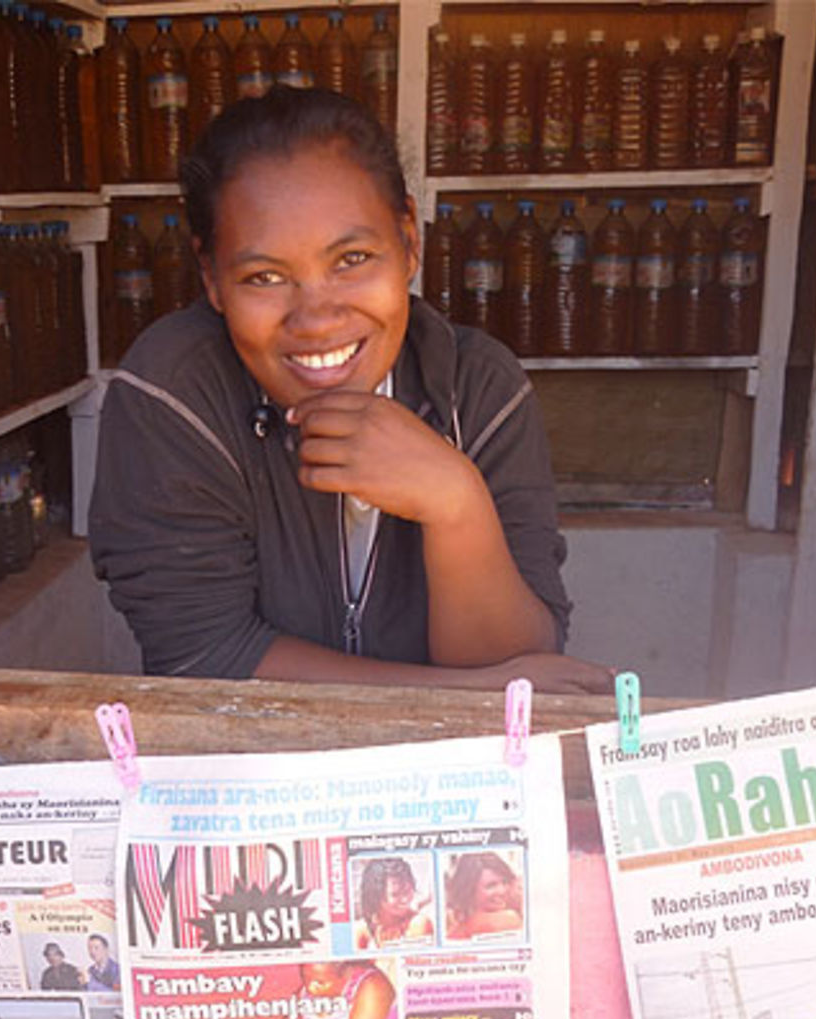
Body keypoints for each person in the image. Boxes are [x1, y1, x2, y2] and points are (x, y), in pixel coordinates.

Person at [89, 87, 613, 696]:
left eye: (353, 258)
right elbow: (204, 657)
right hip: (249, 772)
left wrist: (455, 503)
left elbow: (521, 659)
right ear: (212, 279)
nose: (316, 318)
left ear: (410, 243)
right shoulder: (173, 395)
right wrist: (464, 695)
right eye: (264, 277)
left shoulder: (479, 391)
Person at [353, 856, 434, 949]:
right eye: (395, 894)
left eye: (407, 890)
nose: (405, 899)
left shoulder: (418, 923)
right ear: (376, 896)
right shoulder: (362, 930)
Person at [445, 851, 523, 940]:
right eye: (491, 886)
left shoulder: (455, 931)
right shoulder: (508, 919)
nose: (502, 891)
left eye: (505, 882)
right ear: (469, 890)